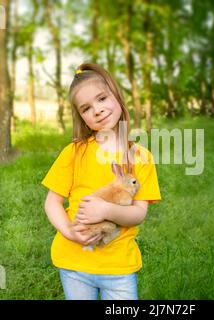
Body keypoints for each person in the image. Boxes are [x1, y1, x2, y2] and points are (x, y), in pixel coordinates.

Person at [41, 63, 161, 300]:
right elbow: (52, 203)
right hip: (74, 263)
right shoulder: (74, 152)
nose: (97, 110)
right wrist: (69, 232)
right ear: (83, 118)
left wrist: (106, 209)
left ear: (116, 95)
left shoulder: (141, 157)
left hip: (118, 267)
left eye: (102, 98)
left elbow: (139, 213)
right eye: (86, 108)